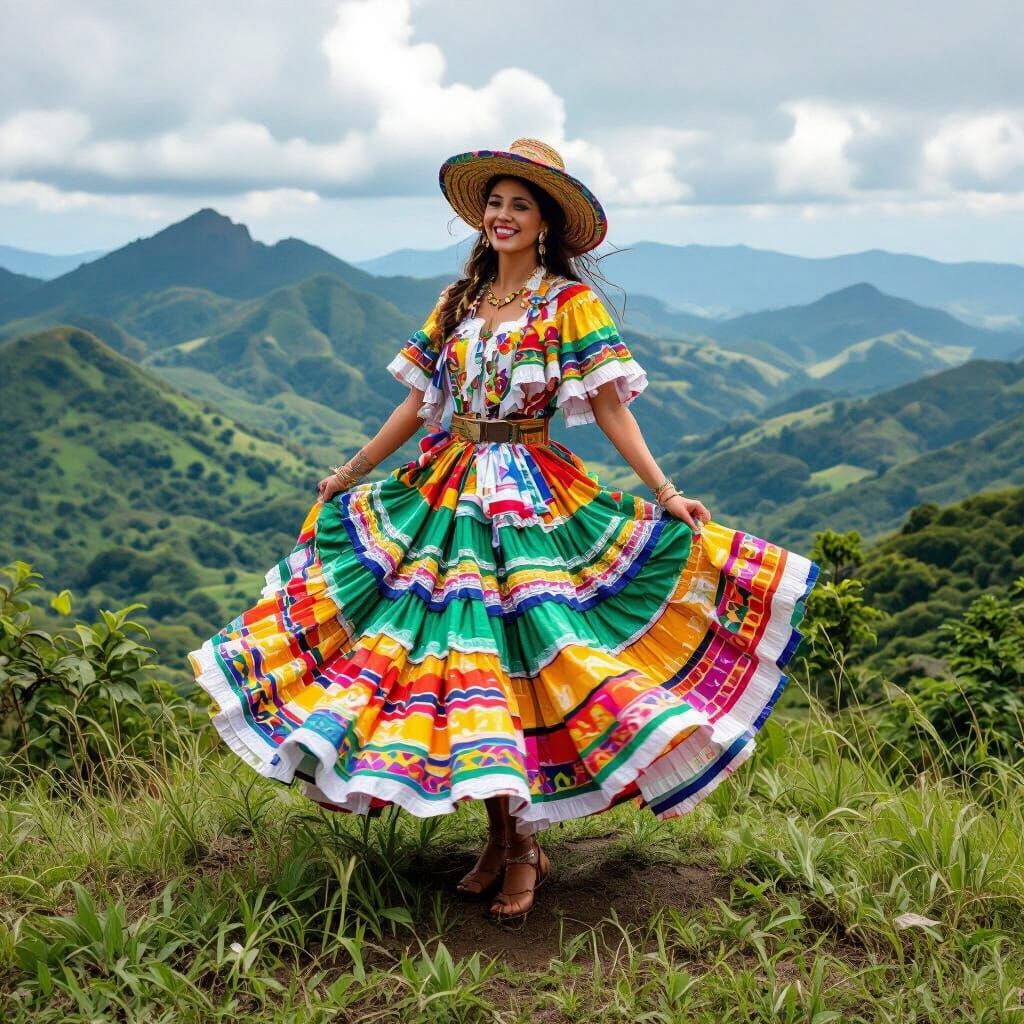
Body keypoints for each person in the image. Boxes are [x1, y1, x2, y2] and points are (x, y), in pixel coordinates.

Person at [188, 138, 820, 926]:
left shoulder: (567, 306)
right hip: (448, 492)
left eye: (521, 205)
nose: (503, 216)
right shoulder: (459, 301)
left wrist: (666, 492)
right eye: (496, 203)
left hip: (529, 494)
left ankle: (523, 847)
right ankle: (501, 839)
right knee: (466, 668)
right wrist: (350, 472)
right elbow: (419, 406)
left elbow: (613, 408)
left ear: (547, 223)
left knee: (524, 661)